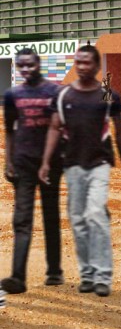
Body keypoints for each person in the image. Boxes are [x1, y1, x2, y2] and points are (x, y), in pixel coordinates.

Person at [39, 45, 121, 297]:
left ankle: (103, 275)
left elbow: (119, 132)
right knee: (78, 221)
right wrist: (46, 162)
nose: (82, 67)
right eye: (78, 62)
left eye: (87, 63)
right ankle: (88, 274)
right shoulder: (64, 95)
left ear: (96, 66)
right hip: (73, 165)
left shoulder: (106, 95)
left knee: (96, 216)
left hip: (100, 163)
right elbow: (53, 129)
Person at [2, 48, 64, 293]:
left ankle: (55, 272)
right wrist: (8, 162)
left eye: (29, 64)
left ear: (38, 64)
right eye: (21, 66)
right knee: (22, 220)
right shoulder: (12, 95)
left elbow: (61, 128)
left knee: (51, 216)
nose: (25, 69)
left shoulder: (54, 92)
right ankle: (17, 277)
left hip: (50, 164)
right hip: (24, 164)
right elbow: (9, 130)